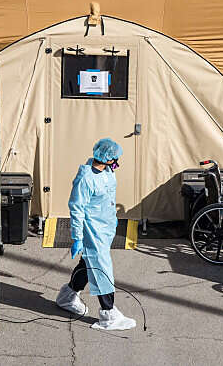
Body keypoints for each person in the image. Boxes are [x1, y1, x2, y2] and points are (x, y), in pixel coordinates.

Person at [54, 138, 136, 331]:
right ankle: (108, 314)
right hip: (93, 229)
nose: (117, 162)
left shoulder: (107, 171)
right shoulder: (86, 179)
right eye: (115, 158)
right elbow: (76, 208)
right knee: (101, 267)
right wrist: (77, 237)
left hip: (105, 227)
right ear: (107, 158)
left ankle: (67, 296)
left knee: (88, 263)